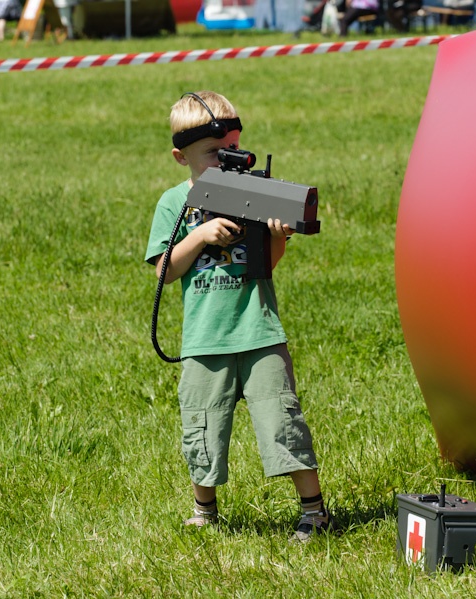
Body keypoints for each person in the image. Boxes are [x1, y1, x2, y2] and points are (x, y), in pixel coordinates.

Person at [145, 91, 334, 542]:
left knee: (281, 421)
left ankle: (314, 511)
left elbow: (265, 264)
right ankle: (204, 511)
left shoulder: (255, 192)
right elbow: (164, 271)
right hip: (205, 339)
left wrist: (278, 235)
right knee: (202, 424)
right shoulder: (175, 203)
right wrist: (201, 235)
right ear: (181, 156)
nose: (227, 159)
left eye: (232, 147)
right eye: (214, 152)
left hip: (259, 329)